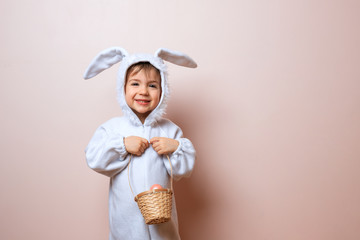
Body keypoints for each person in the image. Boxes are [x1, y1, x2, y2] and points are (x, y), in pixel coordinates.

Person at [83, 47, 197, 240]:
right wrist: (121, 145)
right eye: (135, 84)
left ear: (163, 91)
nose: (143, 91)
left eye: (152, 86)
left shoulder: (170, 130)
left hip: (162, 223)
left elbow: (182, 171)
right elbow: (94, 159)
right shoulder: (112, 129)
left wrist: (176, 148)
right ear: (123, 88)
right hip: (125, 224)